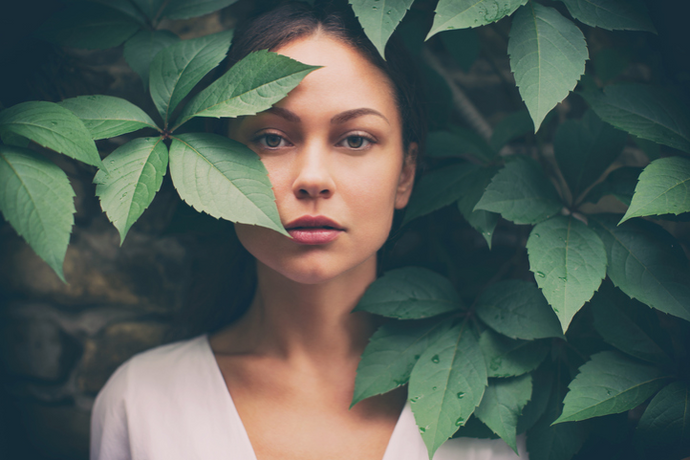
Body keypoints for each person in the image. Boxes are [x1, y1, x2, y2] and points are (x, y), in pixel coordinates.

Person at [90, 2, 527, 459]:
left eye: (355, 139)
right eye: (272, 138)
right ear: (215, 164)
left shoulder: (493, 405)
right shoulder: (142, 403)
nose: (312, 178)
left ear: (406, 173)